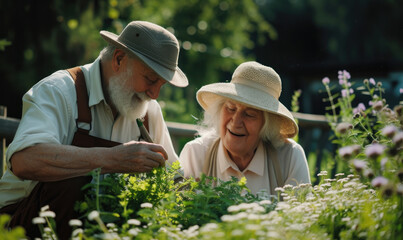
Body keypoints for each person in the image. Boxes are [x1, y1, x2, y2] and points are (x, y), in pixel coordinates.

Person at [0, 21, 188, 239]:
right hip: (21, 226)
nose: (154, 94)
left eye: (161, 85)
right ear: (119, 59)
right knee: (73, 181)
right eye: (150, 79)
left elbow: (175, 180)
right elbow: (24, 160)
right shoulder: (59, 90)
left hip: (100, 229)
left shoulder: (148, 111)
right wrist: (111, 159)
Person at [179, 61, 310, 196]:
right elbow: (179, 211)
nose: (236, 122)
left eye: (249, 114)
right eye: (231, 108)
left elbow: (299, 215)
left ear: (267, 125)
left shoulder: (289, 157)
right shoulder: (196, 153)